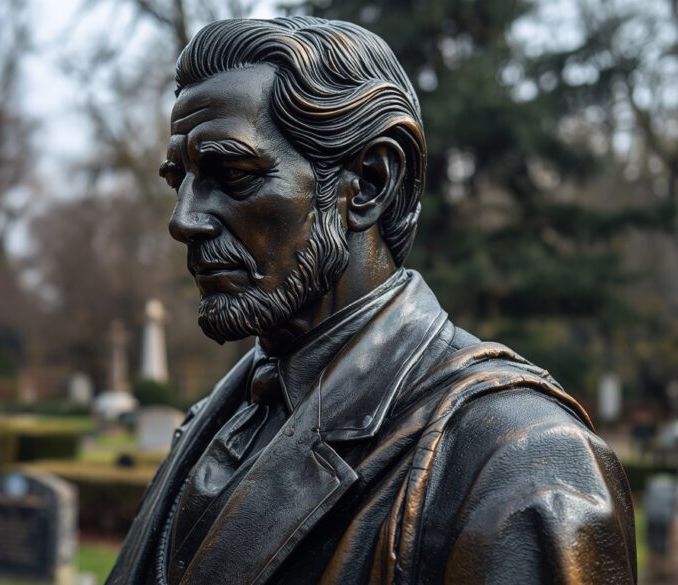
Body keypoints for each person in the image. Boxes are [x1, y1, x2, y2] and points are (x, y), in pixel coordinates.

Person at [107, 16, 636, 585]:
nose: (183, 220)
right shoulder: (215, 418)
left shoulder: (523, 466)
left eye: (233, 174)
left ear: (371, 181)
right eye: (180, 181)